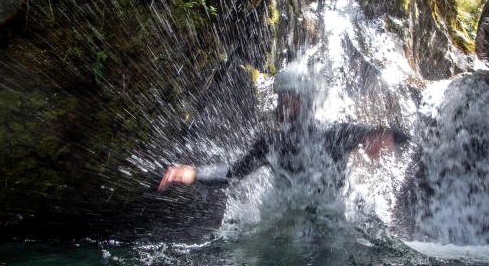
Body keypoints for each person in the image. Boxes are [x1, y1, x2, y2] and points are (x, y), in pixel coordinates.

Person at [157, 60, 409, 192]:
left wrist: (381, 137)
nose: (283, 105)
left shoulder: (336, 134)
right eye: (281, 98)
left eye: (291, 98)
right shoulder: (272, 144)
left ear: (307, 101)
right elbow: (233, 173)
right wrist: (195, 173)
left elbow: (400, 136)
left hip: (327, 233)